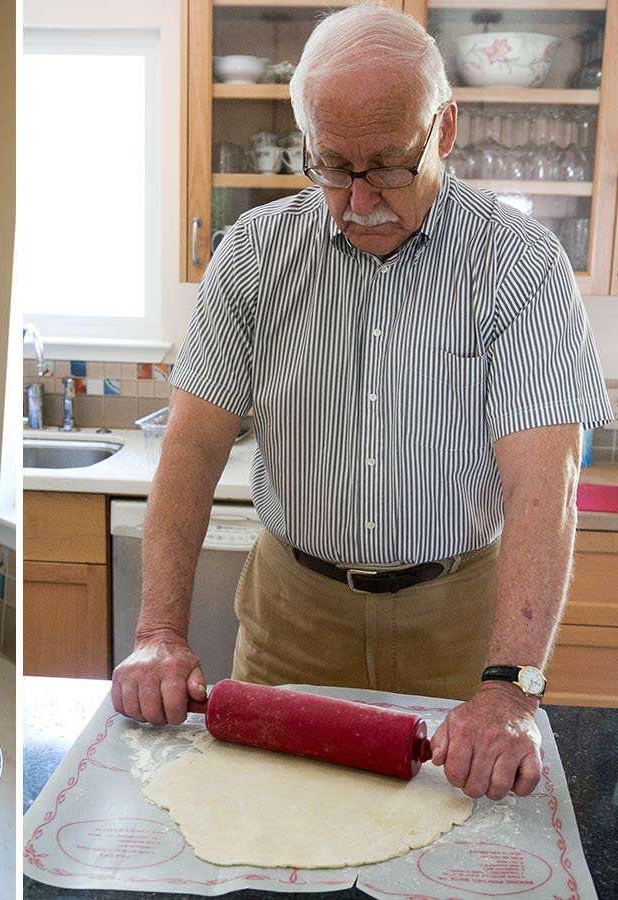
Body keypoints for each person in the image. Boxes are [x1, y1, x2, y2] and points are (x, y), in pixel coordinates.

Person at [112, 4, 611, 804]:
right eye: (331, 165)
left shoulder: (520, 261)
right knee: (270, 826)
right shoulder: (252, 253)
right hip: (291, 619)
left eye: (386, 164)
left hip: (459, 623)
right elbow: (192, 448)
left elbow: (542, 484)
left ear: (444, 130)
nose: (356, 199)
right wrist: (158, 635)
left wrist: (510, 688)